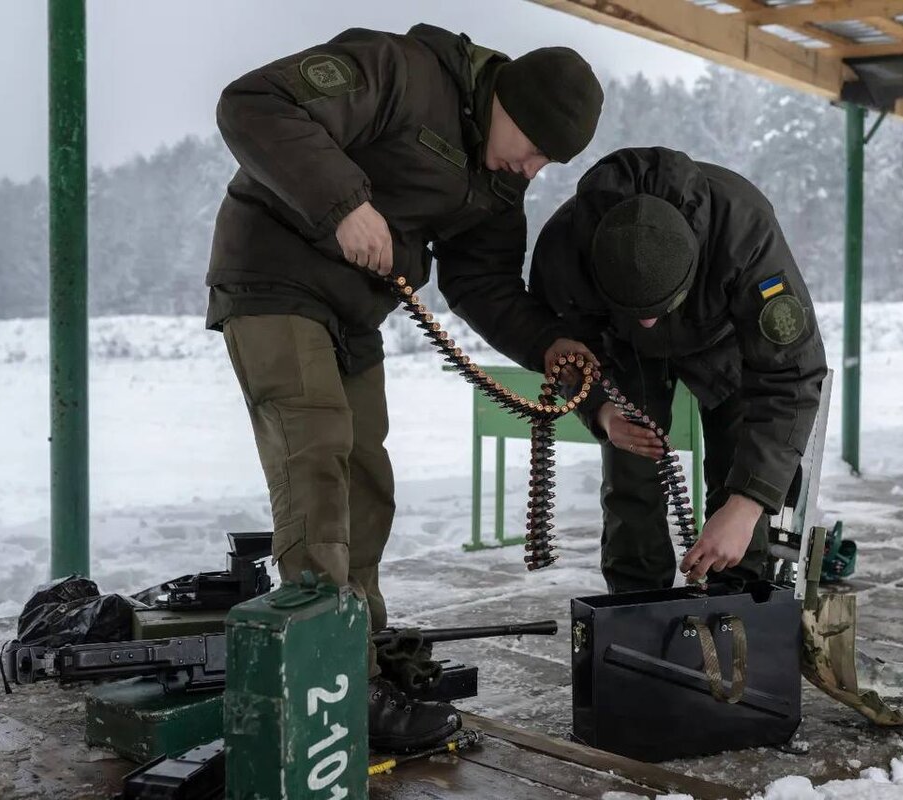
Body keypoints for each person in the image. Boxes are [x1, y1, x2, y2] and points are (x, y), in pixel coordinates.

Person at [204, 24, 603, 753]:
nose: (533, 168)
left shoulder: (497, 179)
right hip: (275, 278)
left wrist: (548, 344)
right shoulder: (399, 71)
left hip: (355, 311)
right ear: (505, 99)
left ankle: (360, 649)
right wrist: (344, 203)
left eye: (550, 162)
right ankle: (333, 682)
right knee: (316, 454)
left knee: (366, 473)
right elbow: (254, 103)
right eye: (535, 145)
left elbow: (480, 283)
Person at [519, 146, 828, 594]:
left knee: (739, 457)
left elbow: (791, 375)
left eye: (659, 308)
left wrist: (747, 505)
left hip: (725, 341)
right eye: (636, 308)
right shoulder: (565, 249)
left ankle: (738, 603)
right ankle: (636, 606)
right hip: (621, 352)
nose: (649, 320)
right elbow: (569, 353)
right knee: (631, 473)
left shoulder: (744, 235)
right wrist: (601, 411)